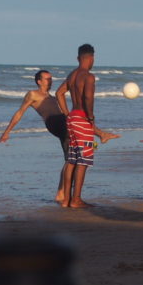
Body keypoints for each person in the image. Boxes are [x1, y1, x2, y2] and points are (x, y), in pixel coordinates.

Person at [0, 70, 118, 202]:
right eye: (47, 79)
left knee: (70, 158)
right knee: (76, 131)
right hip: (54, 122)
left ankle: (61, 193)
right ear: (39, 81)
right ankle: (101, 134)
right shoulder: (33, 94)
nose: (50, 80)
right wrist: (7, 131)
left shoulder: (53, 97)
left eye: (51, 78)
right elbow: (19, 112)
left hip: (63, 123)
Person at [55, 44, 100, 208]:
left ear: (78, 58)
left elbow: (58, 93)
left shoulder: (72, 75)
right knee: (83, 160)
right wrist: (91, 117)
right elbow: (88, 98)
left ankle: (66, 199)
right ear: (91, 58)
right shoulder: (88, 76)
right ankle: (76, 200)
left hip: (72, 118)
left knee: (72, 160)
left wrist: (67, 113)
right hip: (82, 118)